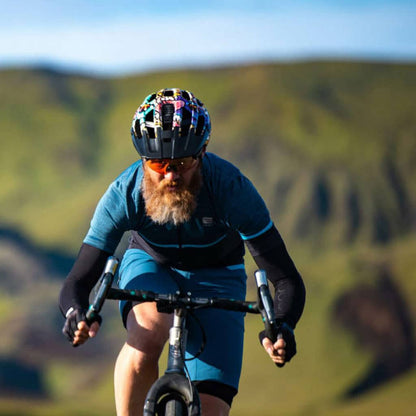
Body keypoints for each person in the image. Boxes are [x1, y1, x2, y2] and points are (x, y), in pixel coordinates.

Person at [59, 88, 306, 416]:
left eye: (182, 162)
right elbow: (78, 279)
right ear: (143, 159)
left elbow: (286, 278)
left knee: (211, 410)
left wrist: (283, 326)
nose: (170, 175)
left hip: (219, 276)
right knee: (149, 331)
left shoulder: (232, 189)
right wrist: (75, 313)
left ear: (202, 153)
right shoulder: (125, 193)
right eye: (159, 164)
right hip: (151, 263)